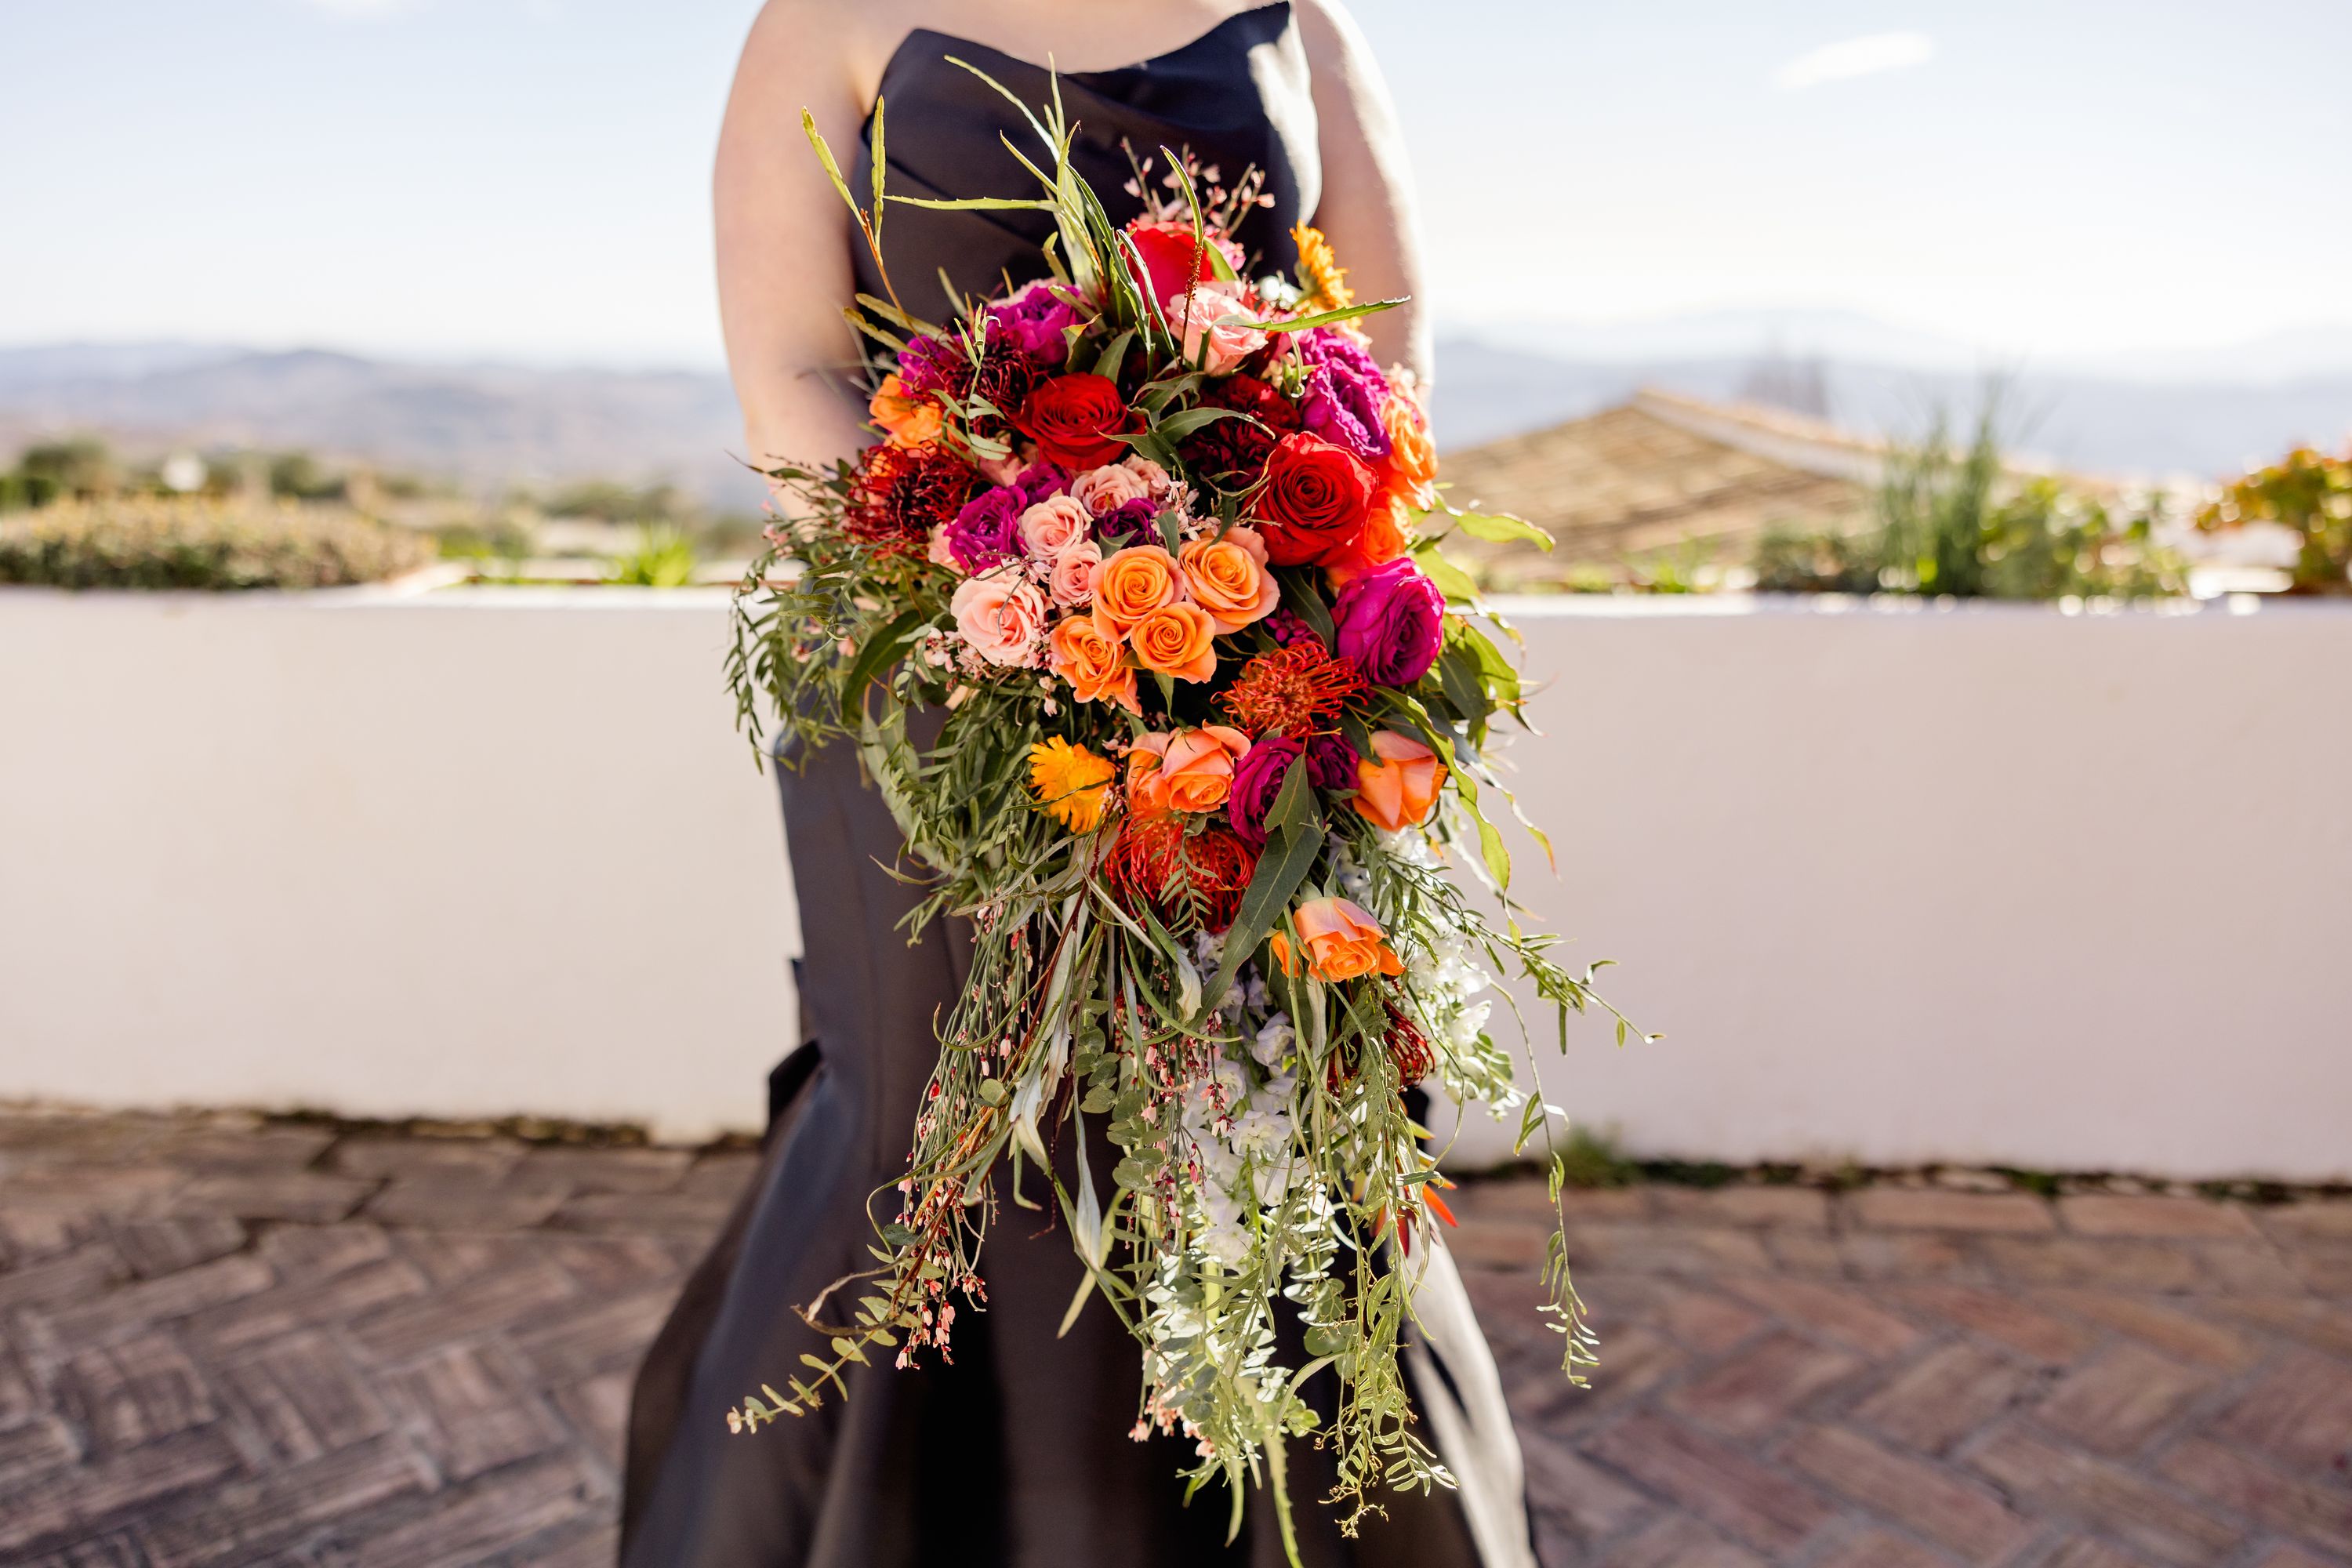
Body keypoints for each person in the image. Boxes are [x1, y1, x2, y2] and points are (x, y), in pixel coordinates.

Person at [622, 5, 1533, 1564]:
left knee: (1267, 1093)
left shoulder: (1298, 16)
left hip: (1258, 677)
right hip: (938, 675)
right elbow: (790, 375)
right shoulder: (828, 18)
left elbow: (1390, 352)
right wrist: (1021, 608)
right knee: (942, 1115)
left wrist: (1250, 579)